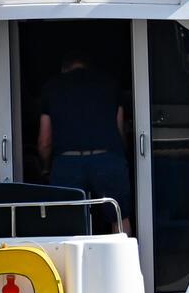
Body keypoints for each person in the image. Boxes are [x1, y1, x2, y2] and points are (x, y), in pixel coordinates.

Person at [38, 56, 132, 234]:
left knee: (65, 222)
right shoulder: (110, 84)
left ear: (64, 69)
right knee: (119, 216)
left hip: (67, 162)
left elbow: (45, 140)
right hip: (107, 158)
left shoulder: (52, 87)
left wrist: (46, 168)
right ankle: (123, 260)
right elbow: (120, 129)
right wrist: (121, 156)